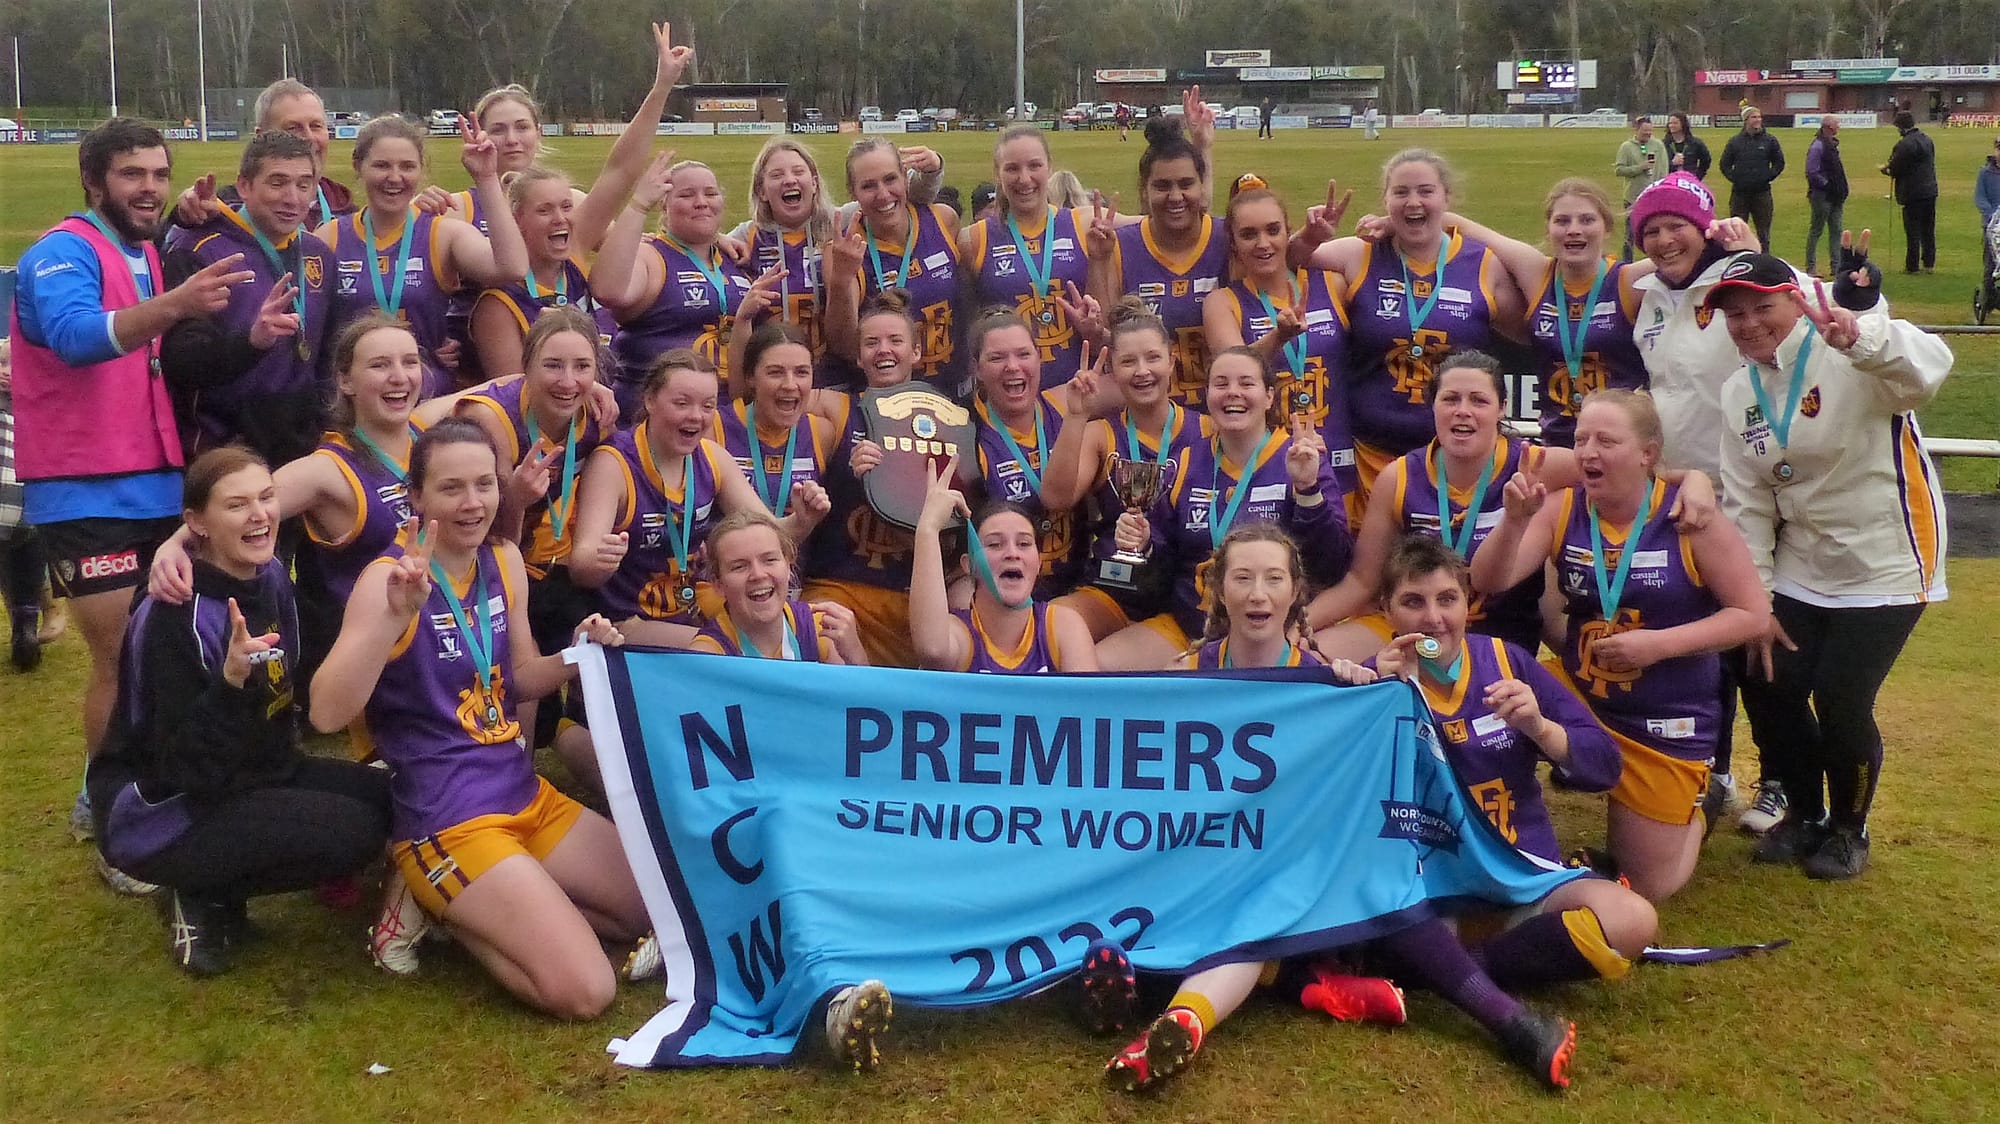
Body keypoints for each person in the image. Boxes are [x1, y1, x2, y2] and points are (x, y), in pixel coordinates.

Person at [309, 419, 648, 1019]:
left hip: (522, 793)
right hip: (449, 817)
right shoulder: (389, 579)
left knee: (655, 911)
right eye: (452, 488)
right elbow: (327, 712)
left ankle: (497, 901)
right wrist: (392, 618)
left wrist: (578, 654)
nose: (473, 504)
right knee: (586, 991)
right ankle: (434, 903)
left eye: (485, 485)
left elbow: (517, 677)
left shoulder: (503, 559)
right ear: (416, 498)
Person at [11, 118, 256, 890]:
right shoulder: (59, 253)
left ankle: (156, 788)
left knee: (166, 647)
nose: (147, 187)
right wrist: (178, 303)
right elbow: (79, 338)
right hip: (85, 487)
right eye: (131, 175)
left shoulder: (143, 246)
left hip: (156, 480)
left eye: (157, 173)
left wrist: (182, 225)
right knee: (120, 653)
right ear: (93, 180)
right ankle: (111, 810)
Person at [86, 446, 392, 976]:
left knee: (390, 800)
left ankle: (226, 866)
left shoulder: (270, 573)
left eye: (267, 497)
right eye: (237, 505)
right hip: (169, 807)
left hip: (255, 768)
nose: (260, 515)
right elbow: (182, 768)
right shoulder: (174, 615)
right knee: (354, 832)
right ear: (196, 525)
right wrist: (230, 684)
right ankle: (199, 890)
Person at [1707, 251, 1952, 879]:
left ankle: (1849, 828)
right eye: (1735, 313)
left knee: (1843, 700)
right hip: (1802, 559)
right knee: (1768, 676)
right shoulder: (1739, 392)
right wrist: (1755, 602)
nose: (1749, 323)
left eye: (1763, 306)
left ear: (1796, 301)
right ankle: (1805, 814)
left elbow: (1929, 368)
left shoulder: (1850, 351)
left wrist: (1860, 335)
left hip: (1888, 554)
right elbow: (1749, 505)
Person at [1470, 390, 1769, 902]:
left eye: (1607, 441)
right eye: (1582, 438)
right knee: (1483, 713)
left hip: (1664, 714)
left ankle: (1702, 805)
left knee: (1648, 887)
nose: (1588, 452)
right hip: (1580, 693)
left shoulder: (1688, 518)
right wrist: (1515, 520)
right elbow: (1488, 580)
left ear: (1646, 454)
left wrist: (1658, 646)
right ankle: (1498, 832)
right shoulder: (1563, 509)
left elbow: (1752, 613)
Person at [1368, 535, 1658, 988]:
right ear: (1386, 608)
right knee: (1364, 928)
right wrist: (1378, 708)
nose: (1433, 619)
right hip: (1428, 888)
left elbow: (1605, 767)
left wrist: (1541, 729)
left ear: (1468, 602)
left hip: (1519, 873)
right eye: (1412, 602)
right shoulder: (1372, 682)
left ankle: (1458, 973)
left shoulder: (1508, 662)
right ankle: (1466, 962)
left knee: (1632, 920)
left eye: (1447, 599)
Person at [1290, 148, 1525, 507]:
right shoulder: (1362, 253)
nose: (1413, 202)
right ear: (1385, 201)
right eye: (1401, 193)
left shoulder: (1483, 264)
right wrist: (1309, 235)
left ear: (1447, 197)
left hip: (1457, 463)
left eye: (1426, 191)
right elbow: (1287, 259)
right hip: (1373, 459)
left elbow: (1531, 331)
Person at [1093, 348, 1348, 671]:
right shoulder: (1183, 462)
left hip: (1270, 635)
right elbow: (1160, 566)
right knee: (1100, 664)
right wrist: (1143, 544)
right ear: (1208, 395)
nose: (1233, 393)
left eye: (1246, 383)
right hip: (1190, 627)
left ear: (1269, 396)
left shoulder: (1301, 458)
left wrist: (1308, 490)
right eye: (1221, 384)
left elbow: (1331, 565)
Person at [568, 349, 827, 649]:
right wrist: (601, 560)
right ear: (650, 401)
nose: (696, 416)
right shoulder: (613, 463)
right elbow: (581, 566)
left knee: (787, 629)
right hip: (624, 624)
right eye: (682, 403)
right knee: (731, 645)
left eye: (708, 406)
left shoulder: (712, 457)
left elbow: (771, 533)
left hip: (688, 613)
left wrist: (802, 519)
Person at [315, 114, 529, 398]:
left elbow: (512, 267)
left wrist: (486, 177)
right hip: (352, 401)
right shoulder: (329, 237)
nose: (394, 178)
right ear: (359, 167)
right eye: (381, 165)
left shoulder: (442, 234)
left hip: (425, 398)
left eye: (407, 167)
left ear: (421, 170)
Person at [796, 291, 950, 668]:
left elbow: (952, 535)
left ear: (915, 352)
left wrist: (894, 483)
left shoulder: (947, 419)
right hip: (837, 586)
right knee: (817, 636)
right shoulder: (837, 408)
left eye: (895, 341)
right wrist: (846, 478)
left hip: (906, 591)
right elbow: (772, 394)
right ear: (858, 354)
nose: (884, 350)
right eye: (872, 342)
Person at [161, 131, 333, 467]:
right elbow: (180, 360)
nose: (292, 198)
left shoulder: (319, 254)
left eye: (304, 184)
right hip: (225, 452)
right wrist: (252, 342)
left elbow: (327, 356)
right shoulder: (200, 250)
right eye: (277, 182)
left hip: (304, 450)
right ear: (244, 186)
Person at [1041, 299, 1205, 642]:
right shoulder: (1101, 434)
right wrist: (1075, 416)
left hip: (1189, 591)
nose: (1142, 371)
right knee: (1053, 623)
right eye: (1128, 362)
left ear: (1172, 361)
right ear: (1113, 372)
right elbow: (1056, 498)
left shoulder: (1208, 431)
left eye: (1153, 358)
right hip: (1116, 590)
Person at [1449, 178, 1651, 448]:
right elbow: (1457, 226)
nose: (1574, 230)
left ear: (1607, 227)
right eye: (1562, 221)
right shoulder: (1537, 274)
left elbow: (1695, 249)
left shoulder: (1629, 280)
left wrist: (1726, 230)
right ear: (1548, 229)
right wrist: (1388, 226)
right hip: (1556, 443)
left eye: (1587, 220)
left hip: (1619, 448)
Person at [1204, 176, 1356, 502]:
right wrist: (1279, 336)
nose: (1263, 243)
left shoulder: (1333, 284)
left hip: (1338, 458)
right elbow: (1234, 370)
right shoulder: (1223, 302)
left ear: (1289, 232)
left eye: (1273, 230)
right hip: (1267, 469)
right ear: (1232, 244)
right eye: (1249, 234)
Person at [592, 152, 757, 421]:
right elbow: (609, 289)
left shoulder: (734, 257)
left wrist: (715, 236)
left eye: (710, 193)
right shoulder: (652, 256)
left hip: (722, 417)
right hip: (652, 419)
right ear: (664, 205)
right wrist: (638, 205)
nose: (701, 202)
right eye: (687, 195)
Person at [1083, 115, 1229, 410]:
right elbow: (1109, 339)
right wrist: (1099, 260)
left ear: (1202, 186)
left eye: (1186, 184)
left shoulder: (1227, 239)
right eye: (1162, 186)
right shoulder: (1120, 245)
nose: (1175, 196)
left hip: (1223, 416)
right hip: (1148, 420)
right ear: (1144, 189)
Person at [909, 457, 1097, 674]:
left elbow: (1087, 706)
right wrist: (928, 529)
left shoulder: (1062, 626)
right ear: (969, 565)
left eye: (1024, 543)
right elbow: (932, 650)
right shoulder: (960, 633)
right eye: (995, 544)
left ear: (1038, 563)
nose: (1012, 553)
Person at [821, 139, 963, 393]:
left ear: (906, 179)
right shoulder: (845, 248)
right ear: (852, 193)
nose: (883, 194)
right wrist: (841, 279)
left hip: (952, 395)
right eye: (868, 186)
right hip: (886, 405)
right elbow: (844, 345)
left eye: (890, 179)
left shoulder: (943, 220)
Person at [959, 126, 1095, 388]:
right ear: (996, 173)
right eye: (1012, 169)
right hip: (1009, 396)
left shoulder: (1085, 223)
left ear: (1050, 167)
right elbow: (967, 324)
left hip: (1076, 394)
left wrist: (1201, 141)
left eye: (1034, 166)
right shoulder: (973, 240)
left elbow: (1163, 223)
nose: (1024, 179)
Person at [966, 308, 1085, 600]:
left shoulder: (1066, 403)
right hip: (1004, 592)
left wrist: (1099, 334)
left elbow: (1134, 385)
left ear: (1039, 357)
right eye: (996, 358)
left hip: (1077, 583)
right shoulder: (965, 432)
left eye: (1023, 354)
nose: (1012, 366)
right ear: (976, 369)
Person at [466, 166, 621, 384]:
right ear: (517, 221)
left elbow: (620, 173)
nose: (560, 218)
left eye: (567, 207)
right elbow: (514, 396)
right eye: (544, 210)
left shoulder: (575, 266)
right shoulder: (498, 305)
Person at [170, 78, 356, 230]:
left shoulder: (342, 207)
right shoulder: (224, 208)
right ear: (261, 137)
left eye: (316, 126)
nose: (308, 138)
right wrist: (184, 216)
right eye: (293, 128)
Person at [686, 510, 866, 663]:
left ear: (788, 566)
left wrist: (854, 653)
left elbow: (862, 700)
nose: (758, 574)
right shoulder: (707, 654)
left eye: (769, 560)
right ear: (718, 584)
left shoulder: (820, 626)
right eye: (739, 566)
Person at [0, 337, 62, 671]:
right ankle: (26, 622)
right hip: (18, 506)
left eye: (14, 365)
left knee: (23, 563)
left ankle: (25, 628)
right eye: (1, 365)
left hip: (25, 509)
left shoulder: (34, 403)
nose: (7, 373)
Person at [1719, 108, 1784, 253]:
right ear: (1746, 120)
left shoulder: (1770, 140)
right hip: (1739, 194)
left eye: (1759, 117)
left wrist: (1767, 176)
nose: (1758, 120)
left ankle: (1765, 261)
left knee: (1764, 233)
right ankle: (1738, 259)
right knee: (1737, 232)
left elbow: (1779, 163)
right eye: (1754, 117)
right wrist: (1736, 178)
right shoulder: (1735, 142)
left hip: (1762, 194)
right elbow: (1724, 164)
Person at [1882, 110, 1938, 274]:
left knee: (1913, 230)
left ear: (1901, 127)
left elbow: (1895, 167)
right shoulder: (1927, 139)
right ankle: (1929, 263)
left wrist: (1885, 170)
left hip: (1913, 192)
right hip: (1930, 189)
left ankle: (1912, 266)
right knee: (1928, 229)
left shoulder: (1904, 144)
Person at [1803, 119, 1849, 279]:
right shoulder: (1818, 146)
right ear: (1829, 127)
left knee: (1836, 230)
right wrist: (1827, 184)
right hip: (1822, 195)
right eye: (1837, 124)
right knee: (1816, 230)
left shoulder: (1831, 145)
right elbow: (1811, 171)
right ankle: (1811, 267)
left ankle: (1836, 267)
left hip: (1836, 195)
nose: (1839, 126)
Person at [1613, 117, 1663, 259]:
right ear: (1636, 129)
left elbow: (1663, 170)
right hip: (1632, 198)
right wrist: (1639, 168)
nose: (1648, 134)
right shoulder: (1626, 147)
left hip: (1653, 197)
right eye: (1645, 131)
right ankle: (1627, 264)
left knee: (1655, 232)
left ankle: (1655, 261)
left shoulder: (1658, 145)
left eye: (1650, 131)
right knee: (1630, 234)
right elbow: (1619, 170)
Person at [1661, 113, 1712, 181]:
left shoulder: (1695, 143)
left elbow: (1706, 160)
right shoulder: (1663, 144)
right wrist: (1672, 163)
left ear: (1683, 124)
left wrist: (1697, 176)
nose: (1671, 126)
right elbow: (1659, 165)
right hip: (1669, 181)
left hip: (1690, 181)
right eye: (1670, 123)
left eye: (1675, 123)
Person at [1977, 135, 2000, 226]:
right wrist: (1993, 215)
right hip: (1991, 224)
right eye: (1999, 148)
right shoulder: (1985, 172)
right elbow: (1980, 198)